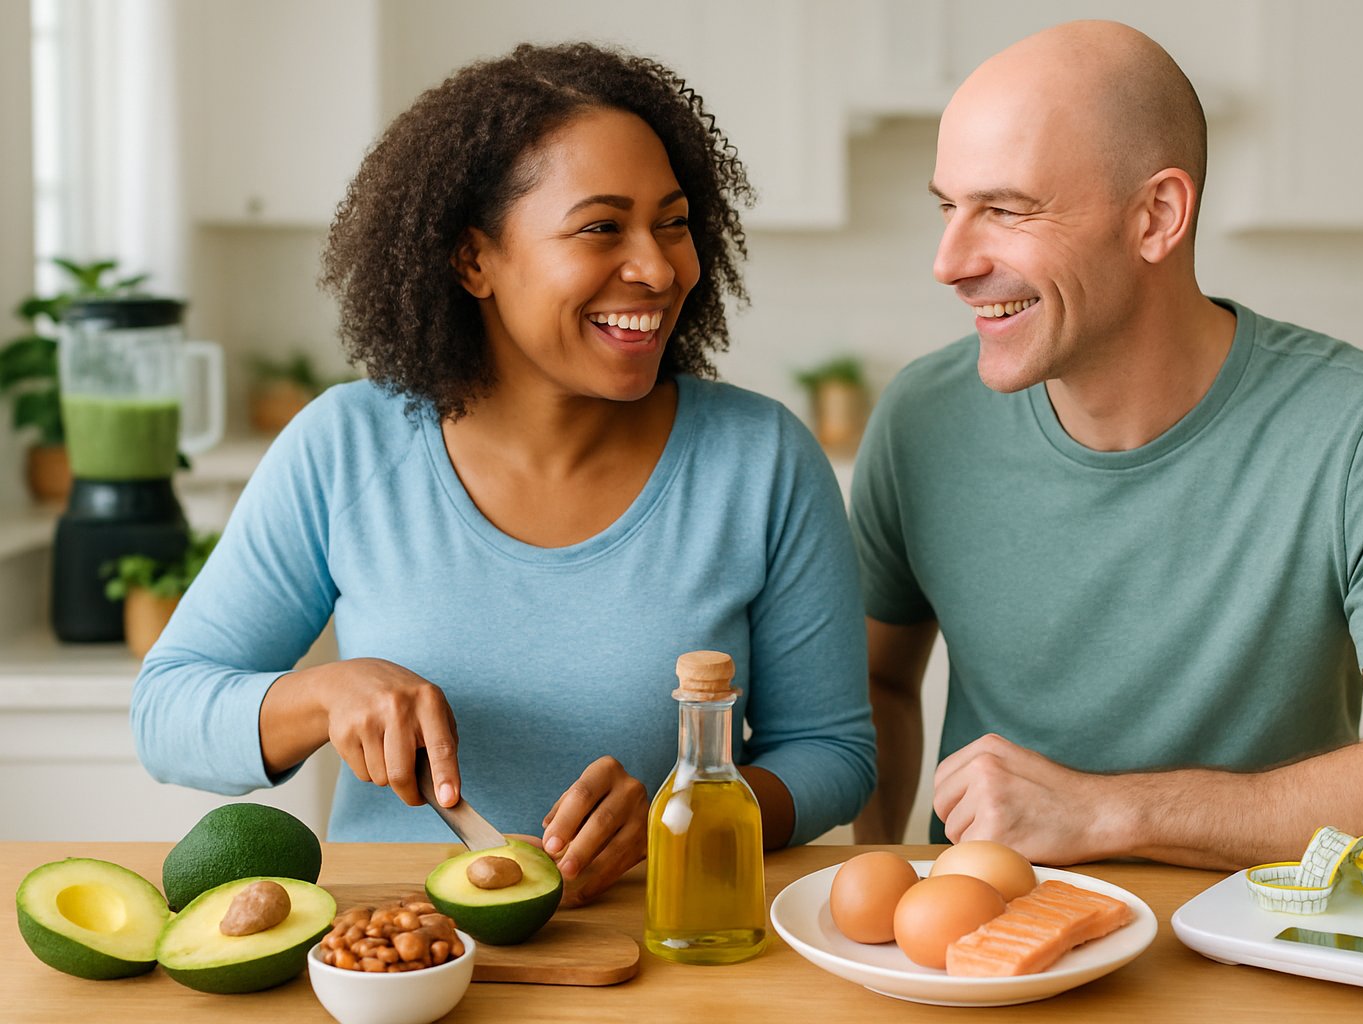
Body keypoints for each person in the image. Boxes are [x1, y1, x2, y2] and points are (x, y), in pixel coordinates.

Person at [132, 42, 875, 904]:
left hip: (673, 947)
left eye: (672, 222)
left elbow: (833, 753)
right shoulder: (347, 446)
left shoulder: (762, 461)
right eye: (602, 227)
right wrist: (325, 696)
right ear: (473, 260)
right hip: (403, 956)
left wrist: (696, 808)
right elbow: (167, 715)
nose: (661, 267)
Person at [850, 20, 1363, 870]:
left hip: (1263, 954)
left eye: (1006, 209)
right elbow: (873, 683)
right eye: (948, 206)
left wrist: (1109, 813)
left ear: (1157, 217)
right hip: (992, 962)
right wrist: (882, 880)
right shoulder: (922, 416)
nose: (949, 261)